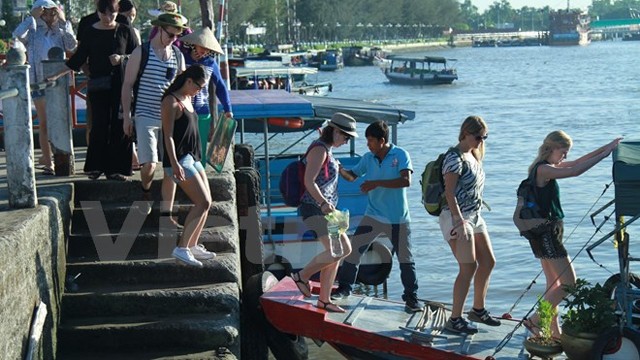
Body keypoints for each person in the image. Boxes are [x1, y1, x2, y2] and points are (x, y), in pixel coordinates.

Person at [523, 131, 622, 338]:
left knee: (554, 287)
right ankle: (534, 321)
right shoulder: (544, 170)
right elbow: (576, 171)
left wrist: (607, 147)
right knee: (569, 285)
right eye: (563, 152)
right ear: (551, 148)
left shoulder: (546, 167)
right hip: (547, 235)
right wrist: (605, 155)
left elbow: (578, 162)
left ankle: (553, 331)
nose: (565, 157)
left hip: (545, 234)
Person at [332, 120, 423, 313]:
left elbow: (406, 181)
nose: (368, 144)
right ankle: (344, 289)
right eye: (367, 140)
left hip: (397, 218)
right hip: (373, 216)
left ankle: (412, 299)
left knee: (406, 259)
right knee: (353, 251)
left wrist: (376, 183)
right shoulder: (368, 158)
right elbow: (352, 176)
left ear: (382, 141)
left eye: (371, 141)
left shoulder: (400, 155)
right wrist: (339, 169)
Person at [290, 113, 357, 313]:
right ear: (335, 131)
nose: (346, 142)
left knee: (341, 250)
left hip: (329, 211)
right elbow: (309, 181)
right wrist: (322, 203)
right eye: (345, 137)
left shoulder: (327, 149)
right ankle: (302, 276)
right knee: (339, 250)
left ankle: (324, 300)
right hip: (315, 208)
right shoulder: (319, 149)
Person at [439, 115, 501, 334]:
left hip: (474, 215)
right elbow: (449, 193)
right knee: (468, 266)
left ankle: (478, 310)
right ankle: (454, 319)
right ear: (465, 133)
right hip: (456, 217)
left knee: (488, 262)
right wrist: (459, 221)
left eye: (485, 137)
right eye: (478, 136)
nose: (481, 141)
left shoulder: (474, 155)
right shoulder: (454, 158)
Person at [121, 12, 187, 212]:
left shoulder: (177, 55)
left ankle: (167, 209)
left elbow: (182, 88)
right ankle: (146, 190)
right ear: (159, 29)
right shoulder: (141, 52)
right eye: (170, 35)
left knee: (171, 167)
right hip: (144, 113)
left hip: (170, 117)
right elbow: (127, 85)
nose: (173, 40)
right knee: (149, 164)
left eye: (177, 36)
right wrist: (126, 116)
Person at [63, 0, 137, 180]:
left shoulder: (125, 30)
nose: (107, 17)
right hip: (98, 84)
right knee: (99, 125)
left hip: (121, 84)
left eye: (111, 13)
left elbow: (137, 55)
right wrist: (58, 72)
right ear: (98, 13)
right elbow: (79, 57)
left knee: (119, 124)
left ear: (117, 12)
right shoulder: (90, 31)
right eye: (104, 13)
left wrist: (121, 58)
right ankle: (95, 167)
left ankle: (117, 169)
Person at [12, 0, 77, 175]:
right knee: (45, 122)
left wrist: (64, 22)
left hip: (59, 82)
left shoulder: (61, 30)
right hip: (39, 81)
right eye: (44, 13)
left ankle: (63, 160)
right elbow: (16, 36)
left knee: (61, 122)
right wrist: (30, 18)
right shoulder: (32, 31)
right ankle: (48, 162)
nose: (48, 17)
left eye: (51, 12)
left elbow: (72, 45)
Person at [161, 64, 214, 267]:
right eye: (198, 86)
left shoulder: (189, 98)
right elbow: (168, 136)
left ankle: (192, 245)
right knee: (201, 202)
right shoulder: (171, 101)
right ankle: (181, 248)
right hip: (180, 160)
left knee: (207, 202)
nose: (199, 91)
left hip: (193, 157)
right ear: (189, 81)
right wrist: (174, 164)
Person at [76, 0, 129, 147]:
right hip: (97, 80)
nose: (108, 17)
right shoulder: (86, 22)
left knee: (120, 120)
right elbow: (80, 53)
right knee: (95, 122)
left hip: (121, 80)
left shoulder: (123, 21)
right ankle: (95, 160)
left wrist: (123, 61)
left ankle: (123, 160)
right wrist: (89, 73)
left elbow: (133, 50)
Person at [179, 27, 233, 166]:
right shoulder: (183, 58)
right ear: (194, 44)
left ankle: (200, 174)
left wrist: (228, 108)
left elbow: (220, 86)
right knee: (184, 147)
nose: (204, 50)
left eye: (207, 48)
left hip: (202, 110)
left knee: (200, 148)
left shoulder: (211, 63)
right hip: (183, 109)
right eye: (201, 46)